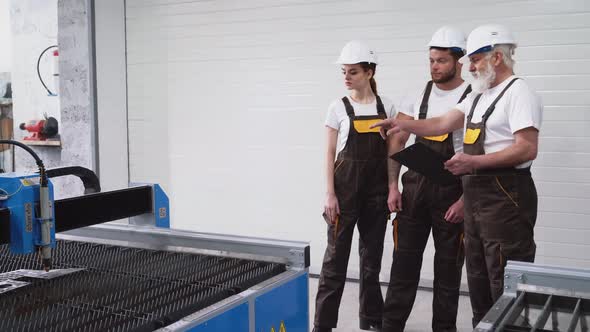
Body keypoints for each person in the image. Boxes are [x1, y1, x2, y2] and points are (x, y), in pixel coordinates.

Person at [371, 24, 543, 328]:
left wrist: (473, 164)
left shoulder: (519, 93)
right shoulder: (479, 96)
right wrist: (403, 124)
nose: (471, 66)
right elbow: (439, 124)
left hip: (505, 199)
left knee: (503, 283)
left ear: (497, 58)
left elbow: (527, 148)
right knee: (477, 280)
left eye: (475, 59)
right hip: (477, 199)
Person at [381, 26, 471, 332]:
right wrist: (393, 185)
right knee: (403, 266)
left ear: (460, 62)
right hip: (414, 191)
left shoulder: (474, 98)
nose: (434, 66)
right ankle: (390, 326)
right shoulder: (418, 94)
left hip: (452, 193)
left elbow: (480, 152)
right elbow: (397, 140)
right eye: (431, 60)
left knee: (448, 272)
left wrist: (465, 200)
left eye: (442, 61)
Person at [314, 40, 396, 332]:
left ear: (370, 72)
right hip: (345, 195)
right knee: (335, 262)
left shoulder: (387, 107)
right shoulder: (337, 107)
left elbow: (391, 154)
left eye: (353, 72)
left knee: (372, 260)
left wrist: (391, 188)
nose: (347, 77)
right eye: (344, 72)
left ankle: (371, 320)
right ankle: (322, 325)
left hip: (376, 195)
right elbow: (329, 153)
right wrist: (330, 194)